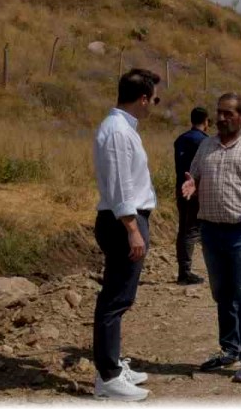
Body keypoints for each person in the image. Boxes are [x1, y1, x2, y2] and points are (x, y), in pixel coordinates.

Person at [181, 93, 241, 383]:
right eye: (219, 113)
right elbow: (195, 175)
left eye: (228, 114)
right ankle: (230, 349)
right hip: (211, 231)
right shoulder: (206, 145)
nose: (222, 118)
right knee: (222, 295)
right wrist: (192, 184)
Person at [92, 68, 160, 401]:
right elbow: (120, 185)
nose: (155, 106)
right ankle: (108, 377)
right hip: (123, 222)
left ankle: (113, 366)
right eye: (155, 100)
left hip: (125, 220)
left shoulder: (122, 128)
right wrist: (132, 229)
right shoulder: (118, 131)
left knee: (119, 297)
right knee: (116, 299)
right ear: (143, 99)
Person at [173, 106, 211, 286]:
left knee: (183, 229)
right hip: (196, 191)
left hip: (180, 188)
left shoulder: (180, 139)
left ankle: (183, 269)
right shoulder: (204, 141)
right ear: (206, 121)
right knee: (193, 230)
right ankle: (185, 272)